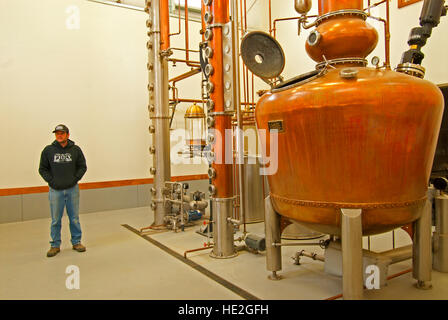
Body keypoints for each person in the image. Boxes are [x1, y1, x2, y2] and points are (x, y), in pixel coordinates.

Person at [39, 124, 87, 257]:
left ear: (68, 135)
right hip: (55, 191)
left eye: (62, 133)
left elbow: (82, 166)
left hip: (72, 190)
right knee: (55, 219)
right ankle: (55, 245)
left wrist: (74, 179)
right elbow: (42, 169)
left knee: (74, 218)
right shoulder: (48, 150)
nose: (59, 135)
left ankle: (76, 242)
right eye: (57, 133)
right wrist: (52, 181)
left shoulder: (75, 150)